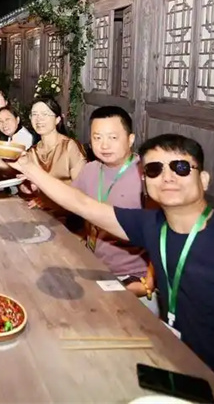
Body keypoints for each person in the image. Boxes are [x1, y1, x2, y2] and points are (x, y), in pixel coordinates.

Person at [7, 134, 214, 404]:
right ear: (145, 183)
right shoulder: (151, 225)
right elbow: (84, 205)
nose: (168, 177)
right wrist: (30, 169)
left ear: (204, 179)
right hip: (185, 370)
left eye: (180, 167)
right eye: (154, 169)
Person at [74, 106, 156, 314]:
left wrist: (149, 281)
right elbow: (70, 200)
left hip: (132, 278)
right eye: (97, 137)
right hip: (94, 269)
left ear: (130, 139)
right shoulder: (90, 169)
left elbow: (162, 232)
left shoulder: (146, 176)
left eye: (112, 137)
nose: (104, 145)